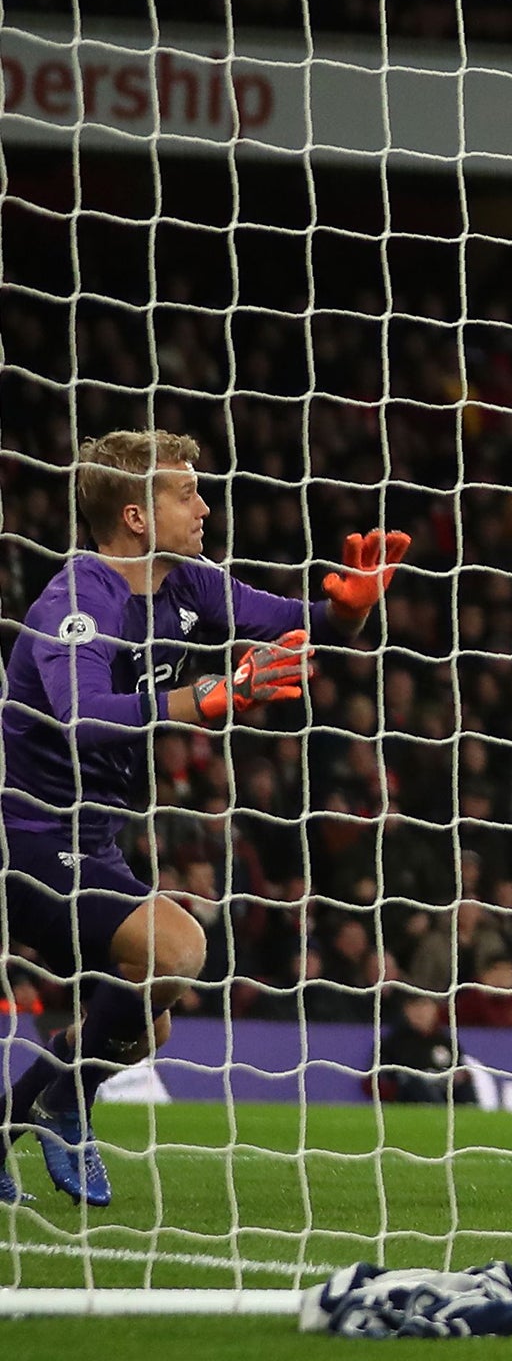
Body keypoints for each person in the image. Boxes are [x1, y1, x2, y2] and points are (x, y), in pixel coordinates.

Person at [0, 429, 407, 1206]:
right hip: (27, 833)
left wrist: (349, 609)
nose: (205, 504)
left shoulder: (190, 583)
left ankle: (26, 1113)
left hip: (93, 836)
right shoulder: (79, 598)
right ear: (135, 515)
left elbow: (300, 623)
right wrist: (208, 697)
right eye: (186, 492)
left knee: (144, 1028)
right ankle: (60, 1101)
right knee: (178, 948)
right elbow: (83, 716)